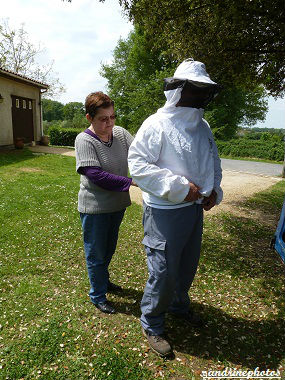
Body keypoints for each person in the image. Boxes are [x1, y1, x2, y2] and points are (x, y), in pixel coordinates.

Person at [128, 59, 223, 357]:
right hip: (164, 213)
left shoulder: (203, 126)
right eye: (194, 90)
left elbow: (212, 161)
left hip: (194, 211)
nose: (198, 96)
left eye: (202, 90)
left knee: (186, 264)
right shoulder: (157, 124)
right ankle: (153, 323)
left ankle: (179, 307)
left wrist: (213, 190)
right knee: (164, 270)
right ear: (178, 89)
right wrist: (180, 188)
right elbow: (138, 166)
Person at [75, 92, 135, 315]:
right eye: (103, 119)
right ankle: (98, 295)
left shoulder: (119, 133)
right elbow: (96, 175)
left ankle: (103, 281)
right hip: (95, 208)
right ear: (89, 117)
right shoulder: (84, 140)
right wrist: (132, 181)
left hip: (117, 205)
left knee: (108, 248)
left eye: (112, 117)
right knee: (96, 253)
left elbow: (140, 151)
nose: (109, 123)